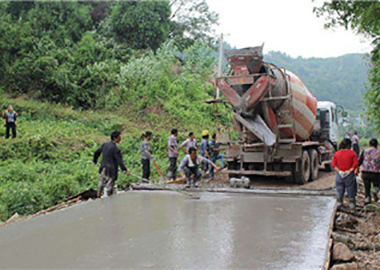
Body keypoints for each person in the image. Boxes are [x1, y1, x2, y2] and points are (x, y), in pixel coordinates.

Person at [93, 131, 130, 198]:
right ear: (115, 138)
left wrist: (95, 160)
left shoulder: (105, 144)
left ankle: (98, 196)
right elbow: (119, 161)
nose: (120, 139)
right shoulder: (116, 149)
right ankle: (109, 198)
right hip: (111, 170)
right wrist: (125, 170)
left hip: (103, 167)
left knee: (101, 182)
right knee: (109, 185)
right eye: (119, 137)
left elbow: (96, 152)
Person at [332, 138, 359, 211]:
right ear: (349, 145)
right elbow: (356, 164)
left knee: (339, 190)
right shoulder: (352, 153)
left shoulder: (337, 153)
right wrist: (349, 171)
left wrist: (340, 172)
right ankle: (352, 206)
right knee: (351, 190)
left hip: (339, 176)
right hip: (349, 175)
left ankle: (339, 204)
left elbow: (334, 165)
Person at [358, 138, 380, 204]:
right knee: (377, 184)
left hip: (365, 173)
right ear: (377, 145)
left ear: (369, 144)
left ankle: (367, 199)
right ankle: (376, 189)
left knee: (367, 187)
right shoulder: (379, 151)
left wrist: (356, 169)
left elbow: (360, 161)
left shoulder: (364, 151)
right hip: (376, 173)